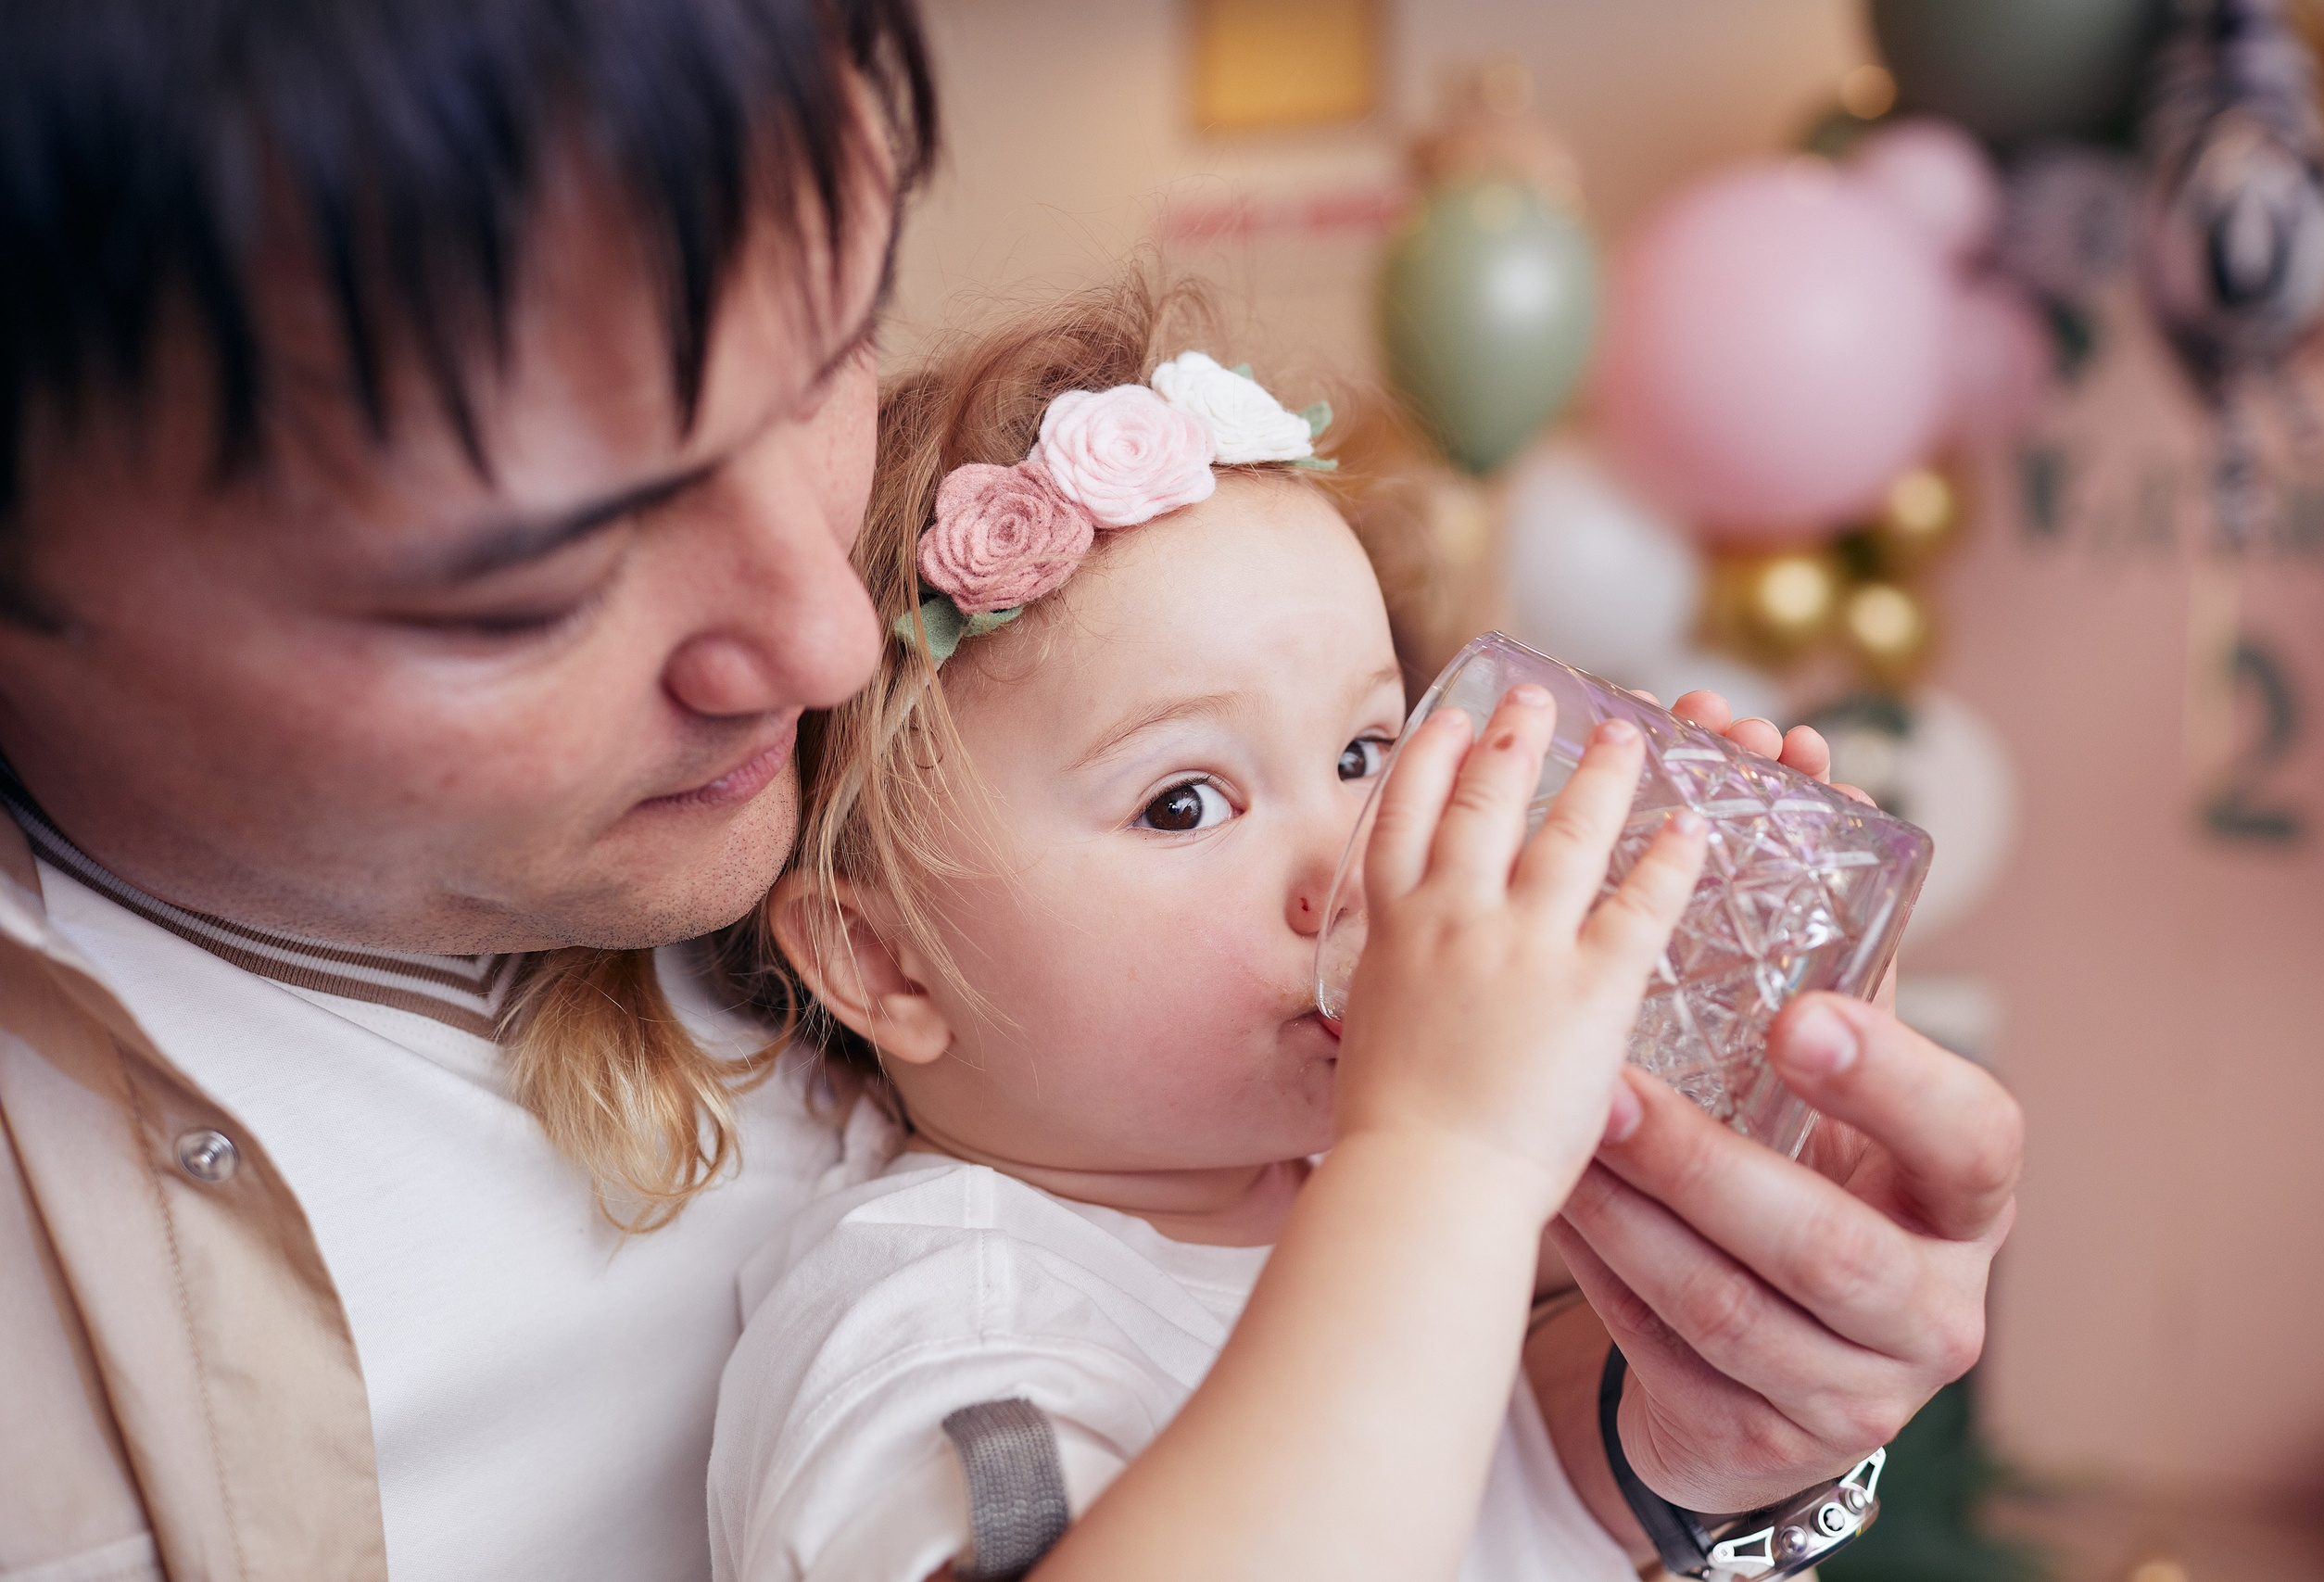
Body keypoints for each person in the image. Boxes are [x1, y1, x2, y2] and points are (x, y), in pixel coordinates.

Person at [0, 6, 2020, 1582]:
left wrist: (1686, 1441)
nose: (813, 647)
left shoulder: (1248, 1183)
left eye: (824, 369)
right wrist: (1447, 1168)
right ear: (867, 951)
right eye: (531, 581)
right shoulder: (963, 1306)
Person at [705, 284, 1725, 1580]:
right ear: (884, 962)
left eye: (1366, 751)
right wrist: (1448, 1158)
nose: (1355, 870)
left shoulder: (1359, 1206)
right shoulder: (939, 1318)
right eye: (1184, 803)